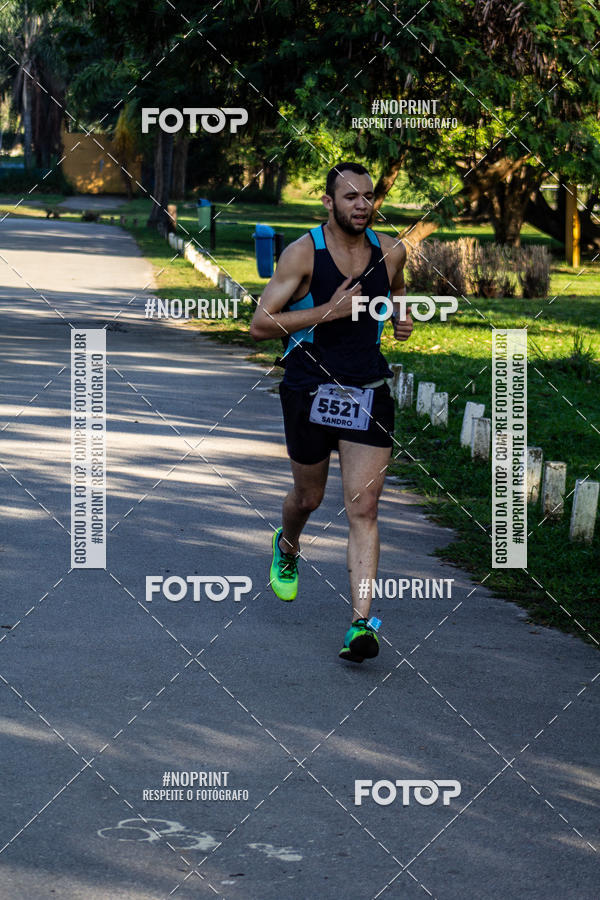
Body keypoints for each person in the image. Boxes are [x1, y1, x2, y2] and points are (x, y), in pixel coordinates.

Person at [249, 162, 413, 662]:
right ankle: (288, 544)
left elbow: (398, 285)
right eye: (350, 198)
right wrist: (329, 311)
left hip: (367, 388)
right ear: (328, 203)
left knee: (363, 508)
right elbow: (260, 325)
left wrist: (401, 314)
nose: (362, 205)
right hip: (309, 387)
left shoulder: (390, 250)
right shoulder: (303, 253)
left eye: (368, 197)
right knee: (309, 497)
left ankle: (361, 624)